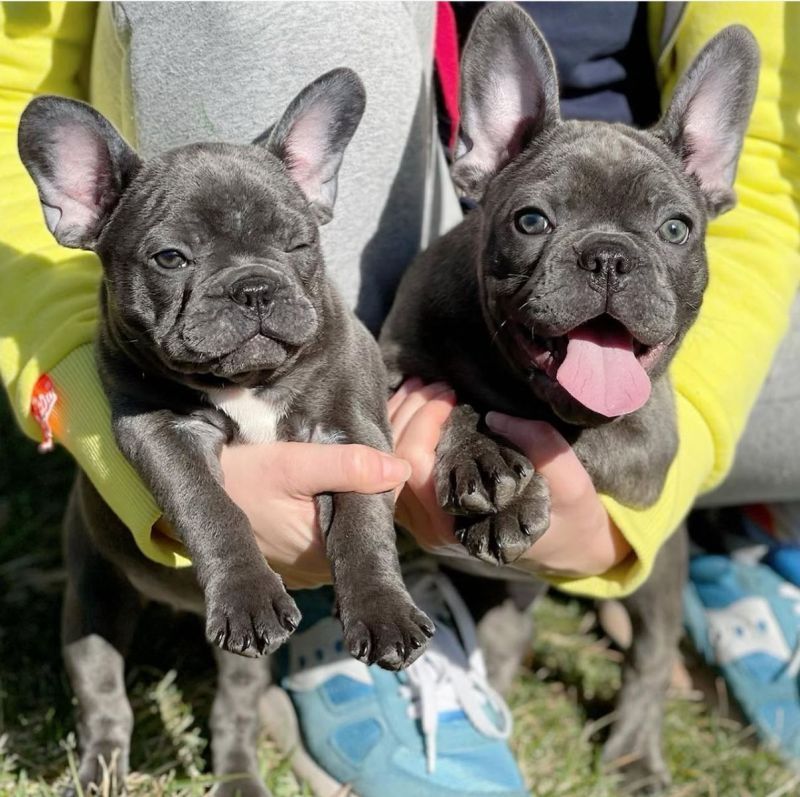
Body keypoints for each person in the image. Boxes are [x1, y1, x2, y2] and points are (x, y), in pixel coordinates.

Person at [1, 2, 799, 795]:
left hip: (698, 285)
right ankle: (336, 595)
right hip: (425, 276)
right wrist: (97, 412)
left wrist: (643, 498)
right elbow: (12, 93)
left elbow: (770, 172)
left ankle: (743, 527)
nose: (607, 267)